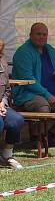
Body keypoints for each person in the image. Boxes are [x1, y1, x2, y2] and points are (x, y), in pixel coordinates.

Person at [10, 23, 55, 114]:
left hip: (52, 94)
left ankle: (54, 129)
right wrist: (47, 95)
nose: (42, 37)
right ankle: (39, 129)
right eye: (38, 34)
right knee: (43, 108)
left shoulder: (49, 49)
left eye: (44, 34)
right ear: (30, 35)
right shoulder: (23, 52)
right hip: (28, 95)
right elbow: (28, 80)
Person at [0, 39, 25, 169]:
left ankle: (6, 155)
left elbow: (7, 89)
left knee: (17, 120)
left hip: (1, 106)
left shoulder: (3, 63)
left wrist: (3, 103)